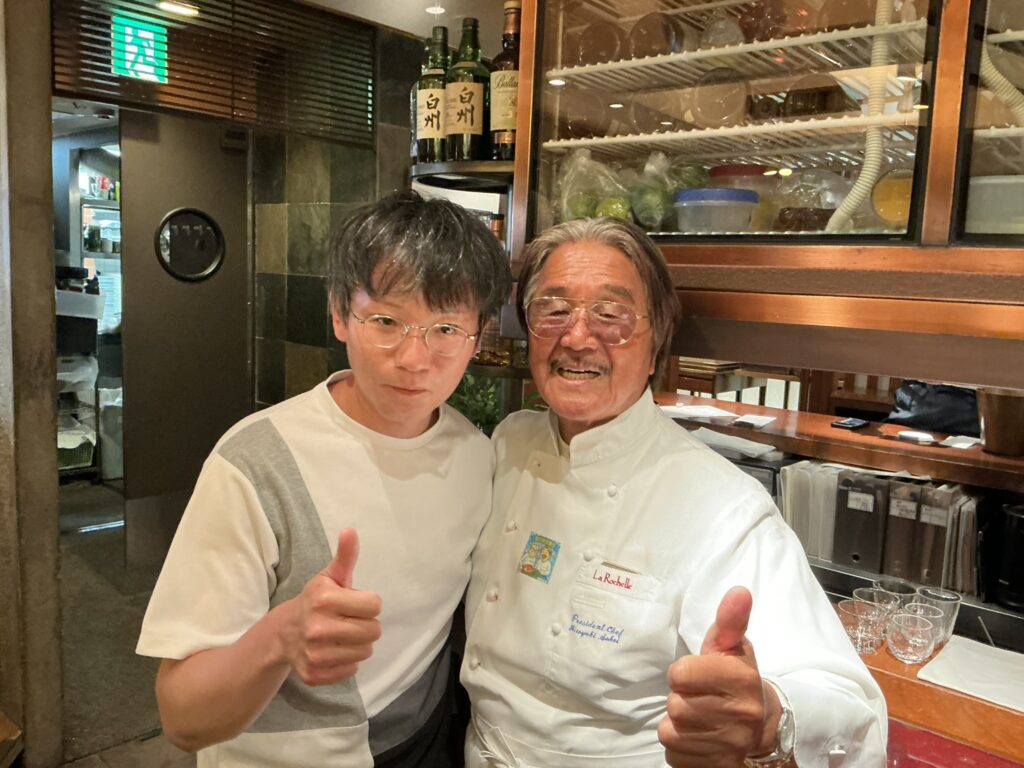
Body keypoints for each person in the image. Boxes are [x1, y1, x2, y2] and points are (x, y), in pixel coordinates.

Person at [461, 217, 887, 767]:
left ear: (656, 341)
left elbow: (847, 701)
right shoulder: (509, 443)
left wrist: (767, 718)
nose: (577, 337)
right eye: (554, 309)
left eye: (611, 315)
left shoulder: (722, 507)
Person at [137, 190, 512, 768]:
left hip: (426, 743)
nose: (415, 359)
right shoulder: (255, 463)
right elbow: (182, 718)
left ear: (479, 335)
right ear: (340, 313)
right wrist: (281, 637)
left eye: (445, 329)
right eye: (386, 321)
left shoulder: (475, 456)